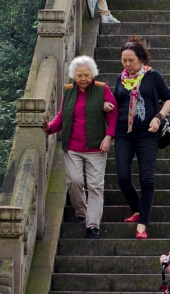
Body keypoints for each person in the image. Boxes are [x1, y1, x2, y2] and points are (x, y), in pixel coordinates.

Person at [44, 56, 118, 239]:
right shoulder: (68, 91)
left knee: (95, 186)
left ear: (92, 74)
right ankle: (81, 211)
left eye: (86, 75)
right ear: (73, 75)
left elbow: (114, 115)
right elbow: (62, 116)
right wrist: (49, 128)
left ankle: (92, 225)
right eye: (79, 75)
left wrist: (108, 137)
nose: (83, 78)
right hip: (73, 147)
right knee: (74, 181)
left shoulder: (102, 90)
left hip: (96, 147)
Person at [113, 35, 170, 240]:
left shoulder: (152, 76)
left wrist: (158, 118)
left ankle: (143, 223)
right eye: (124, 60)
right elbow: (115, 103)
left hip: (147, 133)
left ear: (141, 59)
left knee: (146, 178)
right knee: (122, 177)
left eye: (131, 60)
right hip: (124, 132)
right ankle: (137, 208)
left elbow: (169, 100)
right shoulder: (120, 79)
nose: (127, 64)